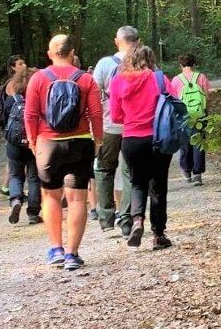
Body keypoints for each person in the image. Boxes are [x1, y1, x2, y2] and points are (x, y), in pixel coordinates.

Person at [24, 33, 103, 270]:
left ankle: (57, 249)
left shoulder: (38, 78)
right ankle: (72, 254)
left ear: (50, 54)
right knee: (77, 198)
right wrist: (98, 140)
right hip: (80, 142)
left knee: (50, 196)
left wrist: (33, 141)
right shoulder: (86, 79)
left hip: (47, 144)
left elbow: (30, 114)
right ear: (72, 53)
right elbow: (96, 113)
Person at [109, 43, 173, 251]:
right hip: (158, 138)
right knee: (158, 186)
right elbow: (173, 105)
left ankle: (137, 221)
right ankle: (158, 235)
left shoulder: (118, 82)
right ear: (151, 60)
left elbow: (116, 116)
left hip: (131, 140)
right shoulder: (159, 79)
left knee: (137, 183)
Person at [92, 26, 139, 237]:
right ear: (138, 42)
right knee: (130, 172)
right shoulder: (144, 62)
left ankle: (106, 218)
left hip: (109, 125)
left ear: (117, 41)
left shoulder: (104, 64)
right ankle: (127, 220)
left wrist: (94, 126)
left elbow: (94, 95)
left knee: (103, 169)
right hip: (134, 126)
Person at [2, 67, 41, 226]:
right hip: (34, 142)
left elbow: (5, 121)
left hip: (14, 144)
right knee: (34, 177)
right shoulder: (39, 100)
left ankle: (16, 200)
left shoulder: (12, 100)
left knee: (15, 175)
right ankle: (33, 213)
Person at [0, 55, 28, 196]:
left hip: (14, 124)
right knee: (18, 157)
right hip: (14, 124)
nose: (24, 66)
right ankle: (8, 188)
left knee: (14, 157)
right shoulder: (13, 84)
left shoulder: (15, 82)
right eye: (20, 64)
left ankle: (6, 187)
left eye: (24, 63)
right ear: (13, 67)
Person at [169, 54, 211, 185]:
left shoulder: (176, 80)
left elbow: (173, 100)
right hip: (199, 115)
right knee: (198, 142)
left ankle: (186, 171)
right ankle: (197, 174)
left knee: (184, 143)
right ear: (194, 64)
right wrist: (205, 112)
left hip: (183, 116)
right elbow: (207, 97)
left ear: (180, 65)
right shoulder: (201, 77)